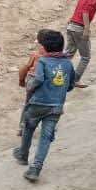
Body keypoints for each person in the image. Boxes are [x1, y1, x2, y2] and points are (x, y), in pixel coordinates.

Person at [13, 29, 76, 182]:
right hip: (56, 106)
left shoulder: (42, 61)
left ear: (45, 47)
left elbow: (38, 79)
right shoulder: (68, 63)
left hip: (38, 103)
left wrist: (29, 86)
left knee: (28, 128)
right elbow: (71, 84)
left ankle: (23, 154)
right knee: (46, 137)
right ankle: (35, 168)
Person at [16, 29, 50, 137]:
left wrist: (21, 80)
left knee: (28, 104)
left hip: (32, 80)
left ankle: (22, 127)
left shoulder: (35, 54)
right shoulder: (52, 55)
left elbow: (25, 68)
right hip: (45, 81)